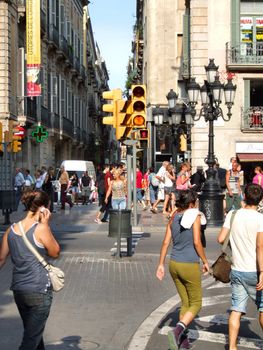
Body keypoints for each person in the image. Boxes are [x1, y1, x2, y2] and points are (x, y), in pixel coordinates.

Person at [0, 190, 60, 350]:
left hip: (19, 290)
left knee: (34, 335)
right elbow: (55, 252)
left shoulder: (11, 230)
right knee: (30, 340)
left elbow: (1, 259)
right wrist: (46, 225)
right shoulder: (40, 229)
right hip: (39, 290)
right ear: (42, 208)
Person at [156, 189, 209, 349]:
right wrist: (205, 261)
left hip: (174, 264)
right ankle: (177, 331)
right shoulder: (196, 216)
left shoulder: (173, 217)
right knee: (196, 303)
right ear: (192, 203)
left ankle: (182, 342)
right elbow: (196, 242)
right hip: (189, 264)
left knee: (185, 303)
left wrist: (160, 264)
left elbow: (166, 242)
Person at [218, 183, 263, 350]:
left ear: (244, 196)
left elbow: (221, 238)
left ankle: (232, 346)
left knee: (236, 310)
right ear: (260, 200)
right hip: (255, 270)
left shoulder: (233, 214)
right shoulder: (260, 219)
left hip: (237, 269)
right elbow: (260, 247)